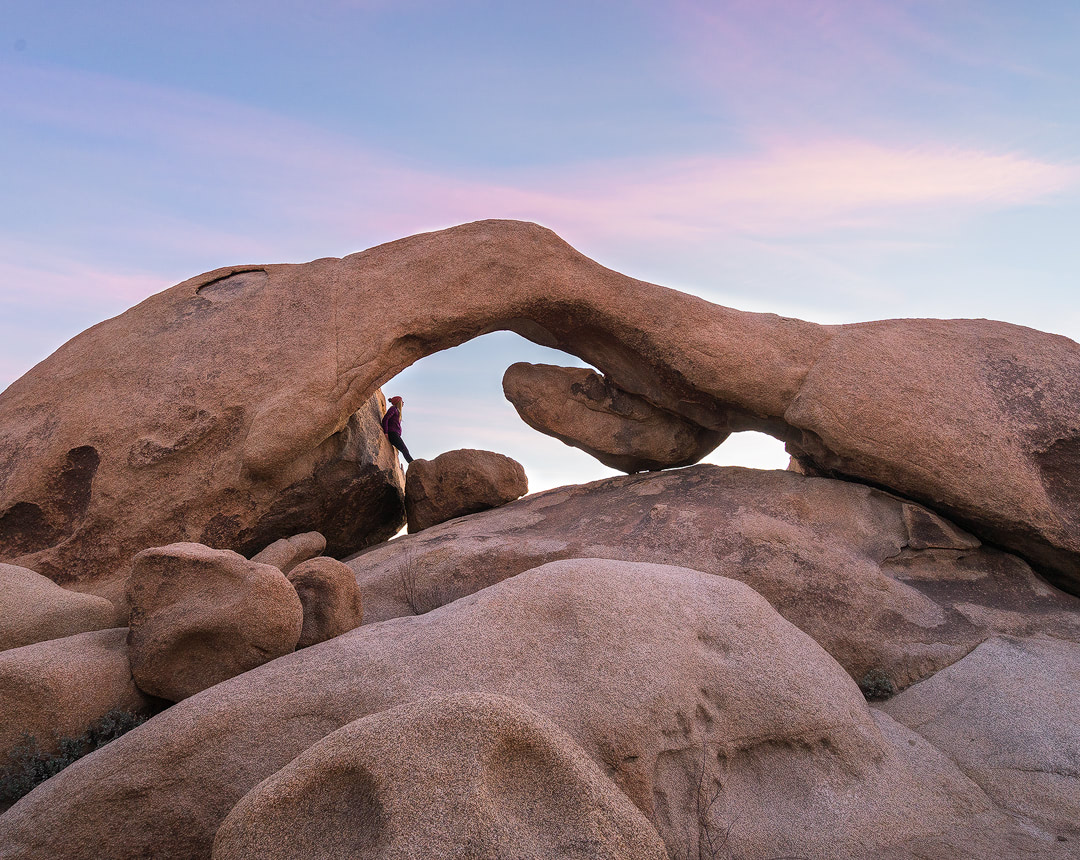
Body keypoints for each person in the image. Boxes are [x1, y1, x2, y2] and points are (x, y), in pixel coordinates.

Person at [380, 395, 414, 463]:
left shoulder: (397, 411)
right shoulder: (394, 409)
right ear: (399, 402)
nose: (403, 403)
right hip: (392, 434)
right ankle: (414, 465)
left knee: (404, 450)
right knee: (405, 450)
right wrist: (386, 432)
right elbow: (385, 419)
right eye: (402, 401)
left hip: (395, 434)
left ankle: (413, 464)